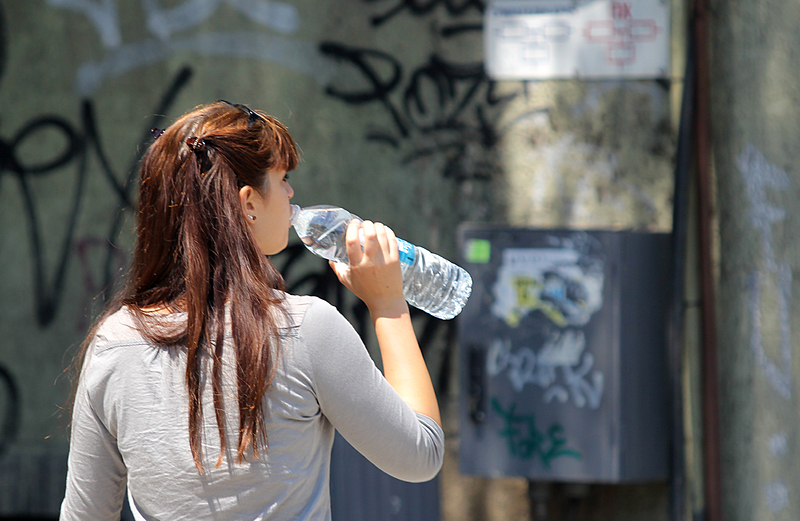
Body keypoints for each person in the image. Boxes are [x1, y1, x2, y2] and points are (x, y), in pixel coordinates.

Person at [60, 101, 444, 520]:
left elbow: (84, 514)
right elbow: (420, 455)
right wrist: (388, 305)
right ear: (248, 204)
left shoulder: (113, 343)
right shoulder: (305, 330)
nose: (291, 193)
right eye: (283, 179)